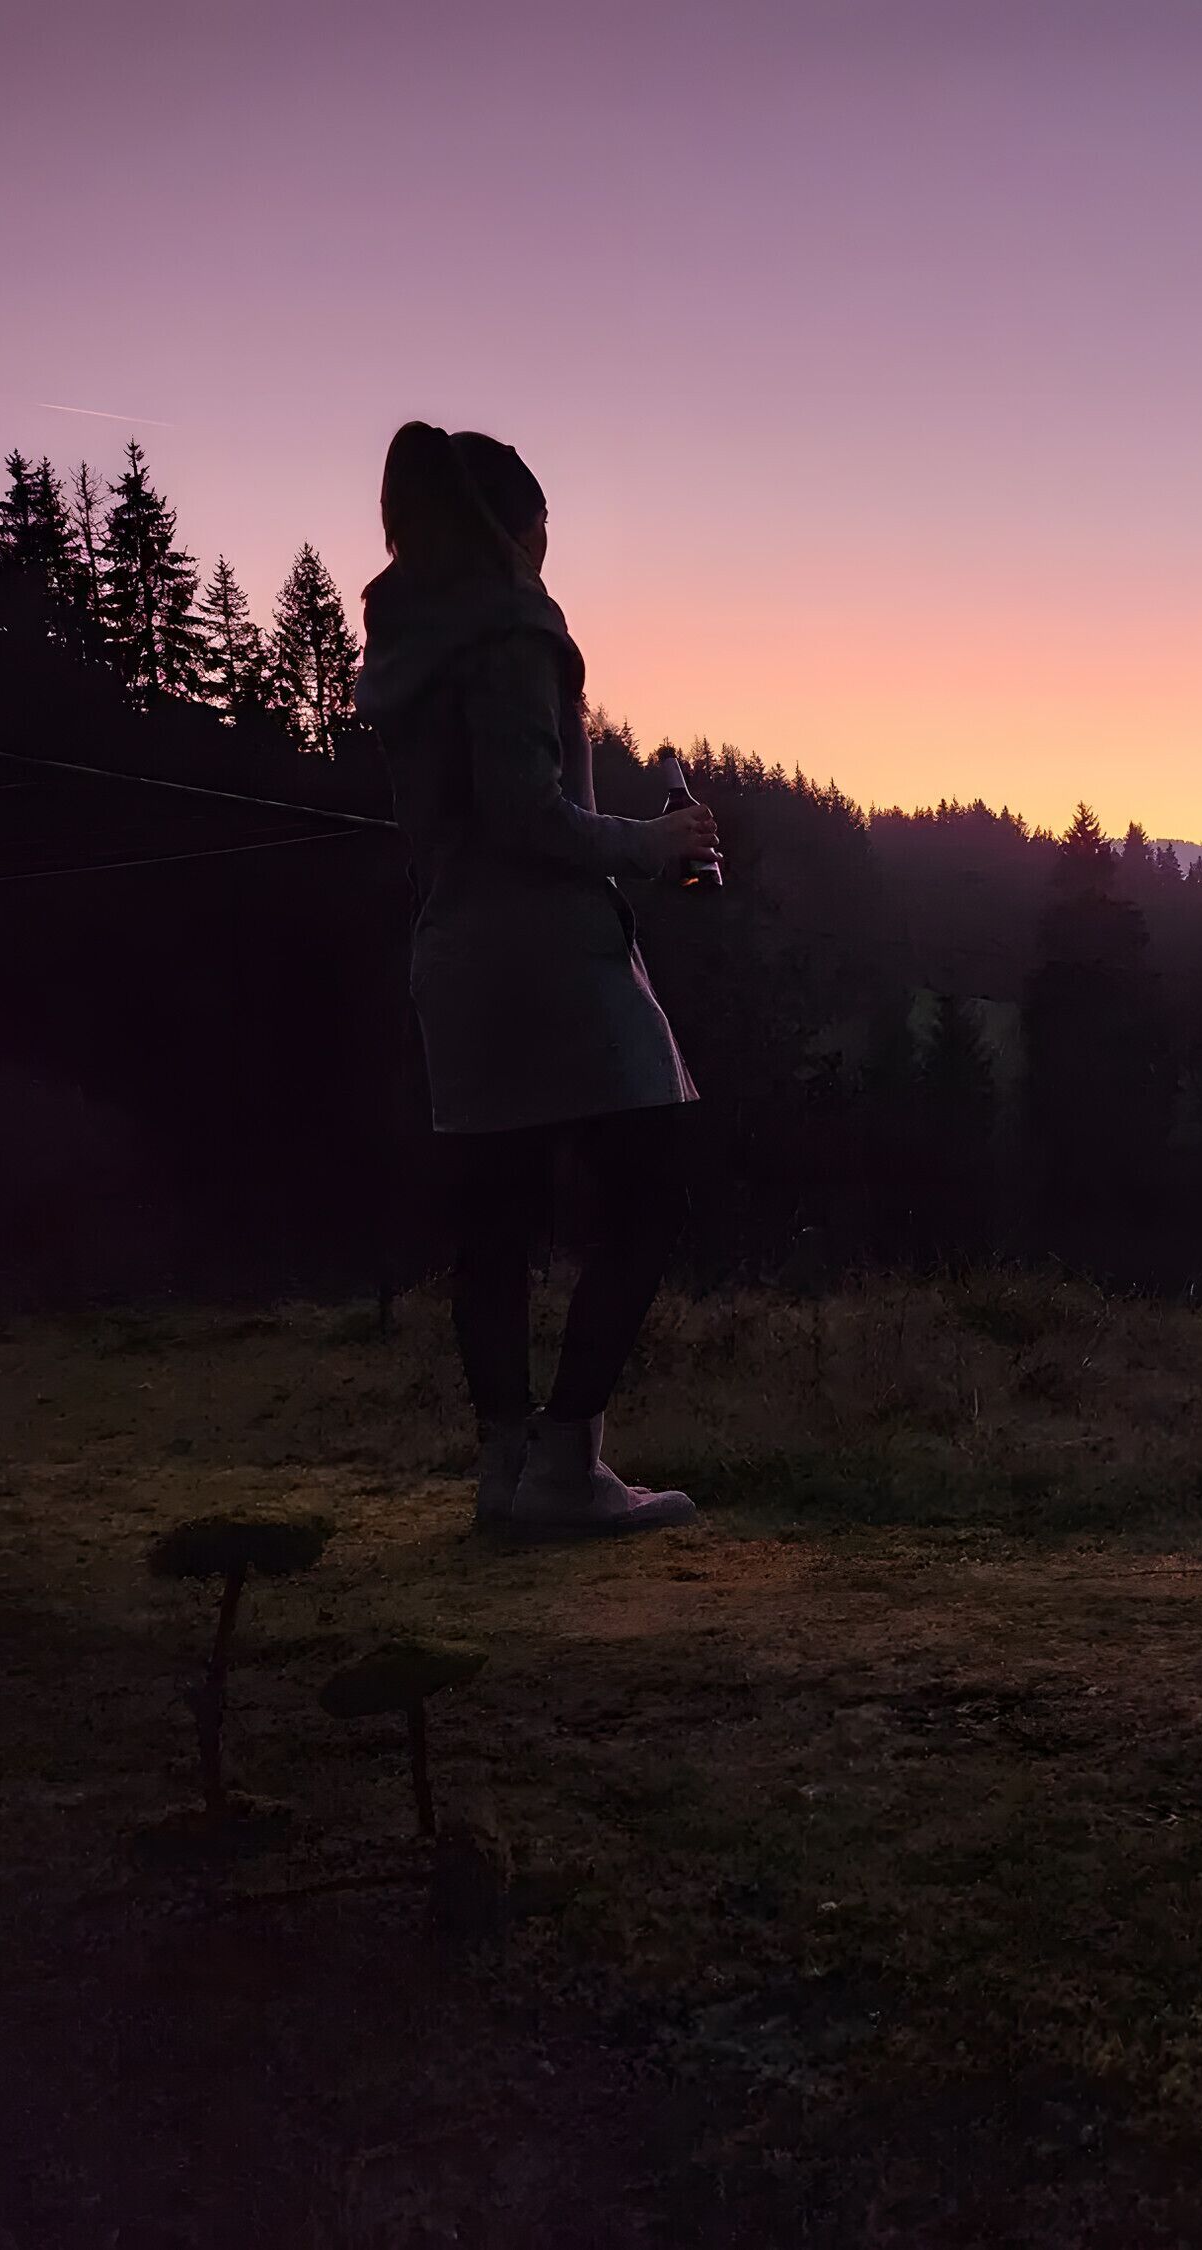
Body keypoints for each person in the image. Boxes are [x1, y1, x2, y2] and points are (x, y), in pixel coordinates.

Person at [354, 422, 717, 1537]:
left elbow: (467, 815)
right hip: (554, 963)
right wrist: (658, 846)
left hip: (454, 962)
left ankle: (505, 1473)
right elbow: (528, 817)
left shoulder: (407, 641)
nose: (551, 551)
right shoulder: (514, 629)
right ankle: (568, 1467)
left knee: (493, 1223)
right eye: (547, 530)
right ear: (516, 530)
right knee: (650, 1183)